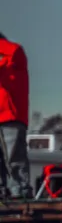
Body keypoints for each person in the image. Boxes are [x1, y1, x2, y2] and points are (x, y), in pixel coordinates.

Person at [0, 32, 30, 199]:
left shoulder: (15, 55)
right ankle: (5, 191)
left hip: (11, 117)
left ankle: (21, 192)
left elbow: (14, 50)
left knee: (14, 157)